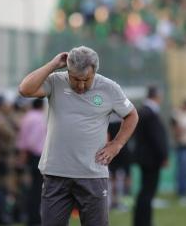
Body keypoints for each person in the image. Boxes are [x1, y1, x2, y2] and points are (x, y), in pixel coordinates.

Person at [19, 46, 138, 226]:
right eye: (75, 79)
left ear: (95, 73)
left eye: (86, 80)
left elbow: (132, 115)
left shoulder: (109, 88)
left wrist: (116, 144)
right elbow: (25, 89)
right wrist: (52, 64)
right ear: (67, 71)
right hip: (56, 173)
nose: (81, 86)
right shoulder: (55, 81)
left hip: (93, 174)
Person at [133, 85, 168, 226]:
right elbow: (156, 138)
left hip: (145, 158)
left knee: (145, 192)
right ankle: (144, 222)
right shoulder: (150, 113)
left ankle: (142, 221)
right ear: (157, 96)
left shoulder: (143, 111)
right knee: (147, 192)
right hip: (151, 159)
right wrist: (163, 155)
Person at [17, 98, 47, 226]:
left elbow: (22, 140)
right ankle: (36, 218)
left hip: (29, 156)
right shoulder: (42, 118)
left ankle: (31, 216)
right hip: (40, 155)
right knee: (38, 189)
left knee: (32, 188)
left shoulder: (26, 117)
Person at [171, 99, 186, 204]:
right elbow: (176, 127)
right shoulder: (179, 114)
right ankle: (181, 192)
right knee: (181, 170)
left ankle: (184, 191)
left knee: (185, 170)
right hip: (181, 145)